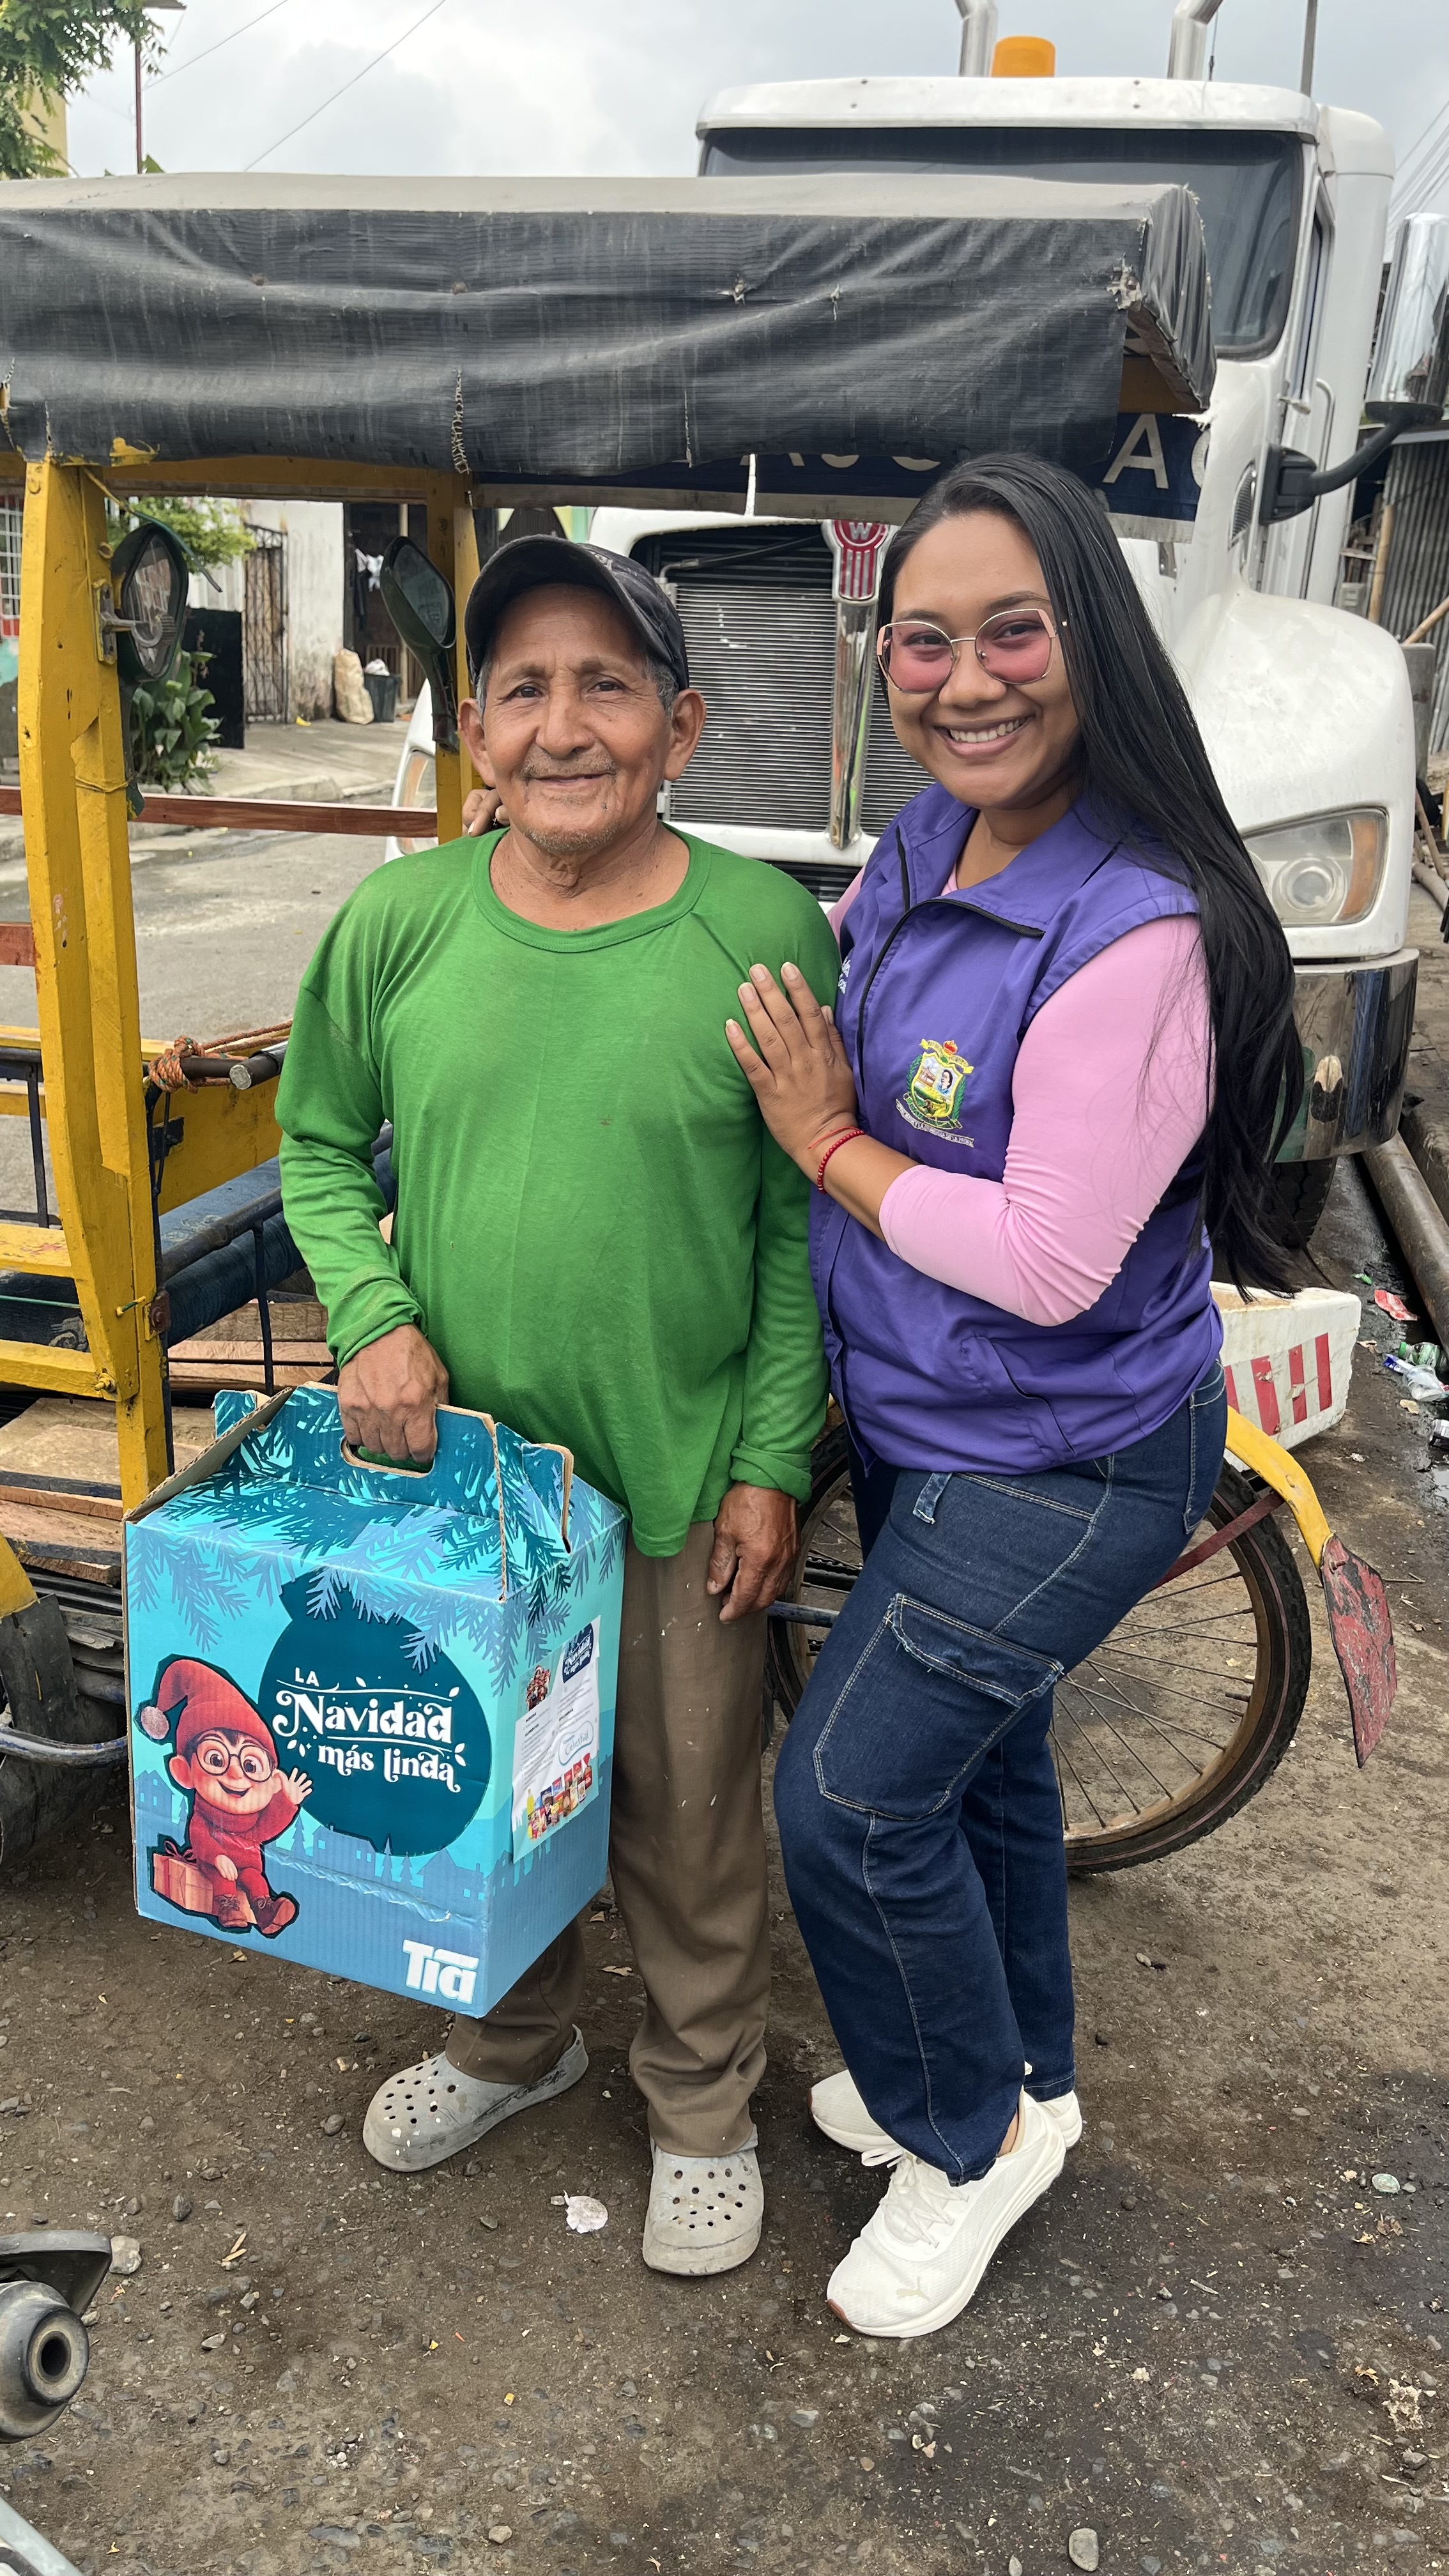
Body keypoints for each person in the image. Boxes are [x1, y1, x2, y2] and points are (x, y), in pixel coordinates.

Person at [724, 452, 1301, 2339]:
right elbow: (813, 991)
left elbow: (1049, 1258)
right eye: (923, 640)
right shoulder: (925, 846)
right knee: (978, 1773)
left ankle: (959, 2140)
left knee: (843, 1802)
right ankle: (1024, 2086)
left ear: (1091, 645)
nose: (964, 681)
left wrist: (827, 1145)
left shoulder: (1135, 930)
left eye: (1011, 633)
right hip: (931, 1423)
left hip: (1059, 1458)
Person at [276, 535, 838, 2276]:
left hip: (675, 1487)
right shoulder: (398, 925)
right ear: (474, 733)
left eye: (606, 684)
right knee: (473, 1783)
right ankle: (512, 2042)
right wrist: (370, 1317)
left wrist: (770, 1462)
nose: (563, 724)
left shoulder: (758, 933)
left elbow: (797, 1226)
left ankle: (700, 2102)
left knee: (685, 1817)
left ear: (682, 725)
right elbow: (316, 1148)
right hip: (460, 1500)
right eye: (521, 688)